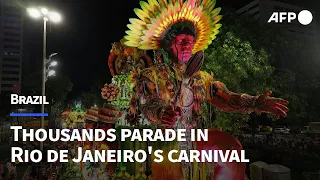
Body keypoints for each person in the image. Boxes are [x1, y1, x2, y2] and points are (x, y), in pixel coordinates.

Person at [121, 0, 289, 179]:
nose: (187, 45)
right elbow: (148, 104)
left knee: (231, 148)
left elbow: (227, 98)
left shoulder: (202, 79)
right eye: (181, 40)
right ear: (169, 44)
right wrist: (162, 112)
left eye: (191, 42)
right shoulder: (151, 75)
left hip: (194, 140)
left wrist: (255, 102)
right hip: (161, 144)